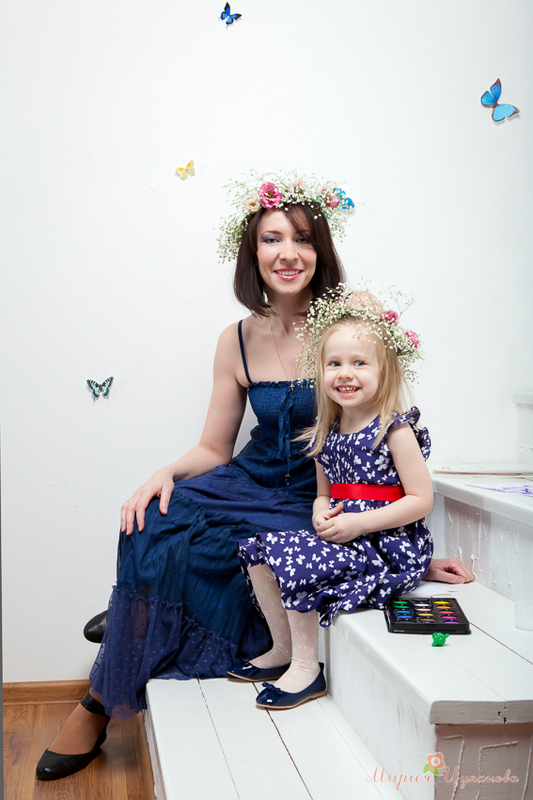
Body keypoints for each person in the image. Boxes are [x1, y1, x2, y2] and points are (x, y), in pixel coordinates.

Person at [36, 173, 473, 780]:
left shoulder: (354, 320)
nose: (288, 253)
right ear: (253, 252)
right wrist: (164, 471)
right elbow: (214, 448)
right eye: (272, 239)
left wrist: (404, 549)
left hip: (313, 494)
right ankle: (149, 603)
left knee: (250, 551)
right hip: (249, 478)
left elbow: (384, 426)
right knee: (155, 516)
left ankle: (101, 695)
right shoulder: (235, 339)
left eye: (302, 239)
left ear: (320, 250)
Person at [229, 287, 470, 709]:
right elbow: (323, 494)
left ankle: (307, 669)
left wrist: (359, 523)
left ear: (385, 371)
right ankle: (283, 649)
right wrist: (320, 513)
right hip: (346, 535)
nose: (345, 373)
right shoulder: (326, 432)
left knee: (296, 562)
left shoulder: (394, 430)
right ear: (319, 371)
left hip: (386, 544)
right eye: (334, 363)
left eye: (359, 363)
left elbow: (420, 500)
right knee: (257, 552)